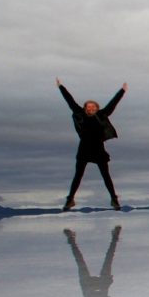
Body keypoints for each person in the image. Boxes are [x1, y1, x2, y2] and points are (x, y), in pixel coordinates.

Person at [57, 78, 127, 211]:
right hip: (84, 149)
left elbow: (113, 103)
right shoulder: (80, 114)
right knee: (78, 175)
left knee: (106, 175)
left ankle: (114, 199)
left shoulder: (102, 115)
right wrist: (61, 87)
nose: (90, 108)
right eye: (88, 107)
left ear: (97, 108)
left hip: (98, 149)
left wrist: (122, 91)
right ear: (85, 108)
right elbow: (70, 101)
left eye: (93, 106)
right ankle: (70, 200)